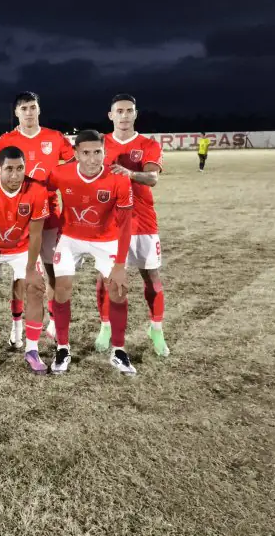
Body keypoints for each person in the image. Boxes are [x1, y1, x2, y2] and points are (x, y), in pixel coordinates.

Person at [46, 130, 136, 374]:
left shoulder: (118, 179)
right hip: (70, 237)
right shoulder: (61, 173)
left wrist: (120, 265)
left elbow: (125, 225)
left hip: (106, 239)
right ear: (76, 154)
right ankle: (62, 348)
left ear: (104, 152)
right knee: (62, 288)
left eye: (98, 152)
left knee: (118, 290)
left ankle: (118, 351)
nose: (92, 158)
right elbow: (42, 191)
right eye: (86, 153)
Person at [0, 92, 74, 340]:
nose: (29, 112)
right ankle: (17, 324)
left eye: (33, 107)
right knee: (20, 273)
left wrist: (57, 180)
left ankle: (54, 320)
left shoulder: (54, 137)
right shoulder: (7, 140)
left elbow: (72, 164)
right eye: (24, 108)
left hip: (49, 213)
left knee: (51, 268)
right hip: (17, 216)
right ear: (16, 112)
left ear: (39, 110)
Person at [96, 93, 169, 357]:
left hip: (142, 221)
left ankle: (156, 329)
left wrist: (130, 174)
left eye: (129, 111)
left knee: (151, 277)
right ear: (111, 115)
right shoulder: (100, 143)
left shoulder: (148, 144)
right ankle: (105, 327)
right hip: (110, 222)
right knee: (106, 278)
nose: (124, 115)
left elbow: (152, 178)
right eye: (119, 111)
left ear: (135, 114)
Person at [0, 146, 49, 374]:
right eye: (9, 169)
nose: (15, 175)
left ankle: (32, 349)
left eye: (20, 168)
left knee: (35, 288)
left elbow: (36, 234)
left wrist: (31, 269)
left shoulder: (37, 190)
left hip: (23, 248)